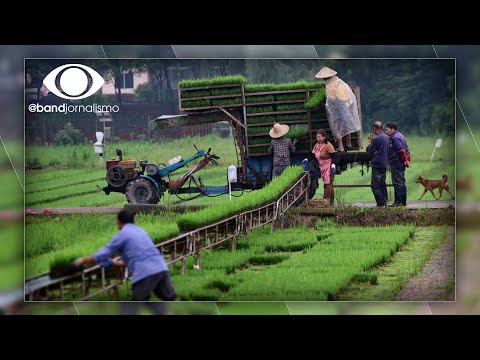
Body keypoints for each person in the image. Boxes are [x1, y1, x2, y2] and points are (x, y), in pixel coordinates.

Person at [73, 210, 176, 302]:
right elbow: (139, 255)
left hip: (144, 273)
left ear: (119, 221)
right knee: (169, 300)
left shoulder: (123, 235)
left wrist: (82, 260)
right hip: (161, 267)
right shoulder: (141, 231)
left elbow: (103, 254)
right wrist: (115, 262)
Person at [314, 66, 361, 152]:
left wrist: (326, 104)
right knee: (347, 126)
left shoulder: (330, 86)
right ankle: (349, 143)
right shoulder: (340, 82)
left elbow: (331, 99)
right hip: (346, 108)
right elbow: (348, 95)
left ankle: (341, 146)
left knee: (337, 127)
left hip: (337, 111)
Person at [385, 122, 410, 207]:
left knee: (397, 182)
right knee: (402, 181)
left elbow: (401, 150)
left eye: (387, 129)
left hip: (396, 162)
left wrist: (405, 160)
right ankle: (403, 201)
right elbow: (406, 149)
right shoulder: (401, 135)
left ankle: (398, 202)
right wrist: (406, 160)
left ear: (392, 129)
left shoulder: (394, 138)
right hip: (401, 162)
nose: (386, 131)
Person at [366, 121, 389, 207]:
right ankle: (385, 202)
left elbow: (370, 151)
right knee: (383, 184)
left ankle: (380, 204)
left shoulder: (377, 138)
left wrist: (370, 142)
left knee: (375, 185)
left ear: (375, 128)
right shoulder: (386, 137)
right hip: (384, 163)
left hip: (377, 164)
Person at [312, 129, 336, 206]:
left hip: (329, 166)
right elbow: (312, 154)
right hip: (322, 166)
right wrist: (306, 159)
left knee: (328, 184)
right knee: (328, 184)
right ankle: (331, 202)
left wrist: (333, 165)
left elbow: (334, 156)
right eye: (317, 137)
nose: (318, 139)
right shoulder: (316, 145)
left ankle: (326, 201)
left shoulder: (328, 145)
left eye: (319, 137)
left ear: (324, 137)